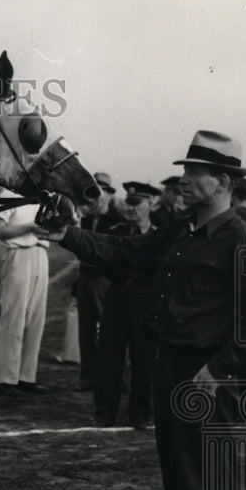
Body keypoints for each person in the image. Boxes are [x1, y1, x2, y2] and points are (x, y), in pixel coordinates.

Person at [50, 130, 246, 490]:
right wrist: (65, 234)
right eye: (186, 170)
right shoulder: (183, 230)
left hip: (207, 376)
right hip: (173, 367)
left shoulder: (239, 237)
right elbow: (126, 252)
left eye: (195, 172)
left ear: (222, 182)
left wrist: (217, 370)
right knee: (180, 477)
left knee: (211, 483)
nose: (185, 179)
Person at [92, 182, 159, 429]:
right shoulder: (116, 231)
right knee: (109, 357)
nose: (131, 210)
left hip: (145, 300)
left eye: (137, 204)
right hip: (117, 296)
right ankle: (104, 412)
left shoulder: (158, 233)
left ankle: (140, 413)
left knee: (144, 358)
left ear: (150, 204)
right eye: (128, 204)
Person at [0, 195, 52, 396]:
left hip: (40, 253)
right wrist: (29, 228)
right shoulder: (7, 194)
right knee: (13, 316)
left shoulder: (44, 195)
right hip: (17, 253)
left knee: (36, 319)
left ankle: (26, 377)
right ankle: (6, 379)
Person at [75, 171, 123, 391]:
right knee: (85, 330)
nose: (98, 197)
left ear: (109, 194)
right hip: (85, 276)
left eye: (102, 191)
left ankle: (112, 377)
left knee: (109, 331)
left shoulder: (116, 220)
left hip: (105, 279)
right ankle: (88, 376)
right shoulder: (85, 218)